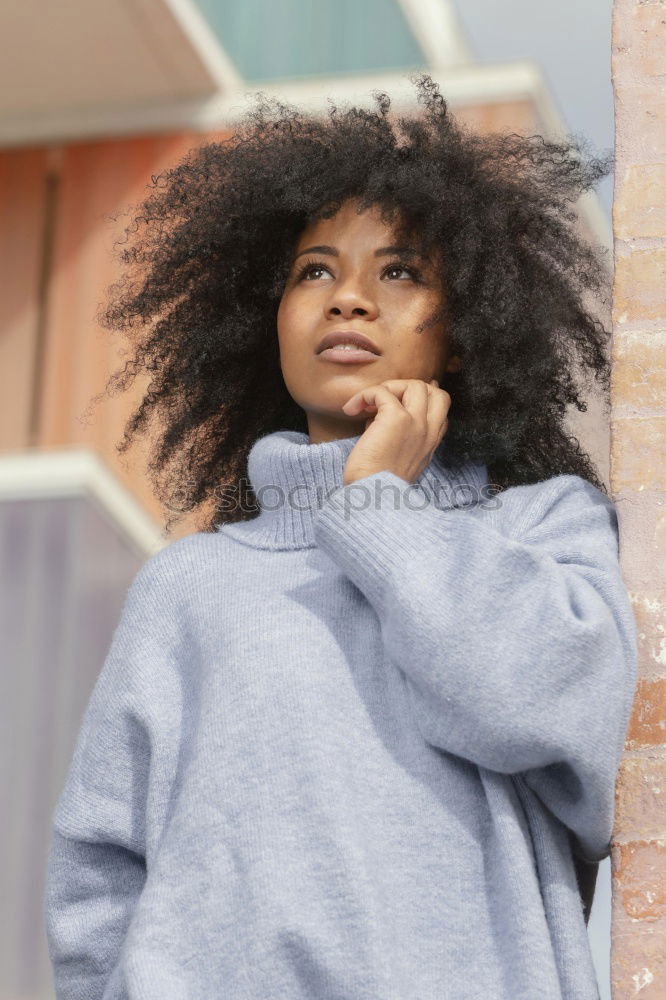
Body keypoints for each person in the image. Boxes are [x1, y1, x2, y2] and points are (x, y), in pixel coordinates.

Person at [43, 73, 637, 999]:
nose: (348, 297)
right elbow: (97, 882)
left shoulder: (541, 528)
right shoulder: (188, 585)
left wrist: (377, 510)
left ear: (468, 328)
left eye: (400, 271)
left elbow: (554, 717)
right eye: (314, 270)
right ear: (265, 323)